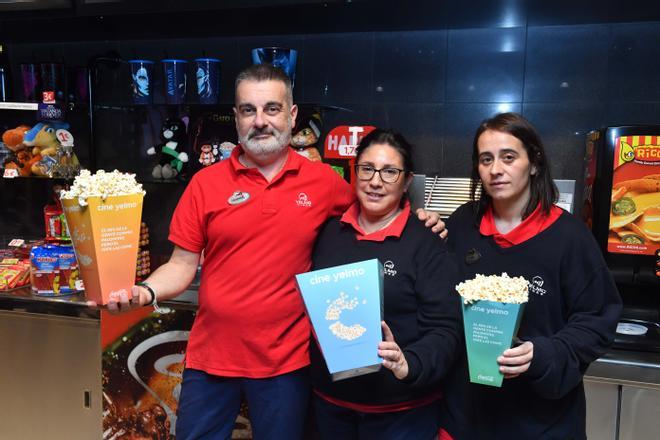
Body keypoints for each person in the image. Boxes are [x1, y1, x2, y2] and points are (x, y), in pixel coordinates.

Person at [104, 64, 445, 440]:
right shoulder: (205, 184)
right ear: (236, 118)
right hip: (211, 360)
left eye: (271, 108)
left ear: (292, 115)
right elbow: (181, 265)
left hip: (286, 365)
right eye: (248, 110)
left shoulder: (324, 184)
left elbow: (374, 204)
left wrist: (421, 216)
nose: (260, 120)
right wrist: (144, 292)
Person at [439, 112, 622, 440]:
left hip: (541, 422)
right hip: (467, 415)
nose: (496, 169)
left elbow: (598, 319)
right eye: (486, 159)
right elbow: (437, 299)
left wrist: (546, 352)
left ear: (534, 163)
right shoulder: (462, 225)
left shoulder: (569, 237)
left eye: (509, 157)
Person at [309, 129, 462, 439]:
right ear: (354, 172)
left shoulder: (426, 242)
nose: (375, 181)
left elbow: (446, 330)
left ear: (407, 181)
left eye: (390, 172)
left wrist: (411, 363)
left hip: (401, 415)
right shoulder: (328, 233)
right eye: (367, 169)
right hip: (329, 406)